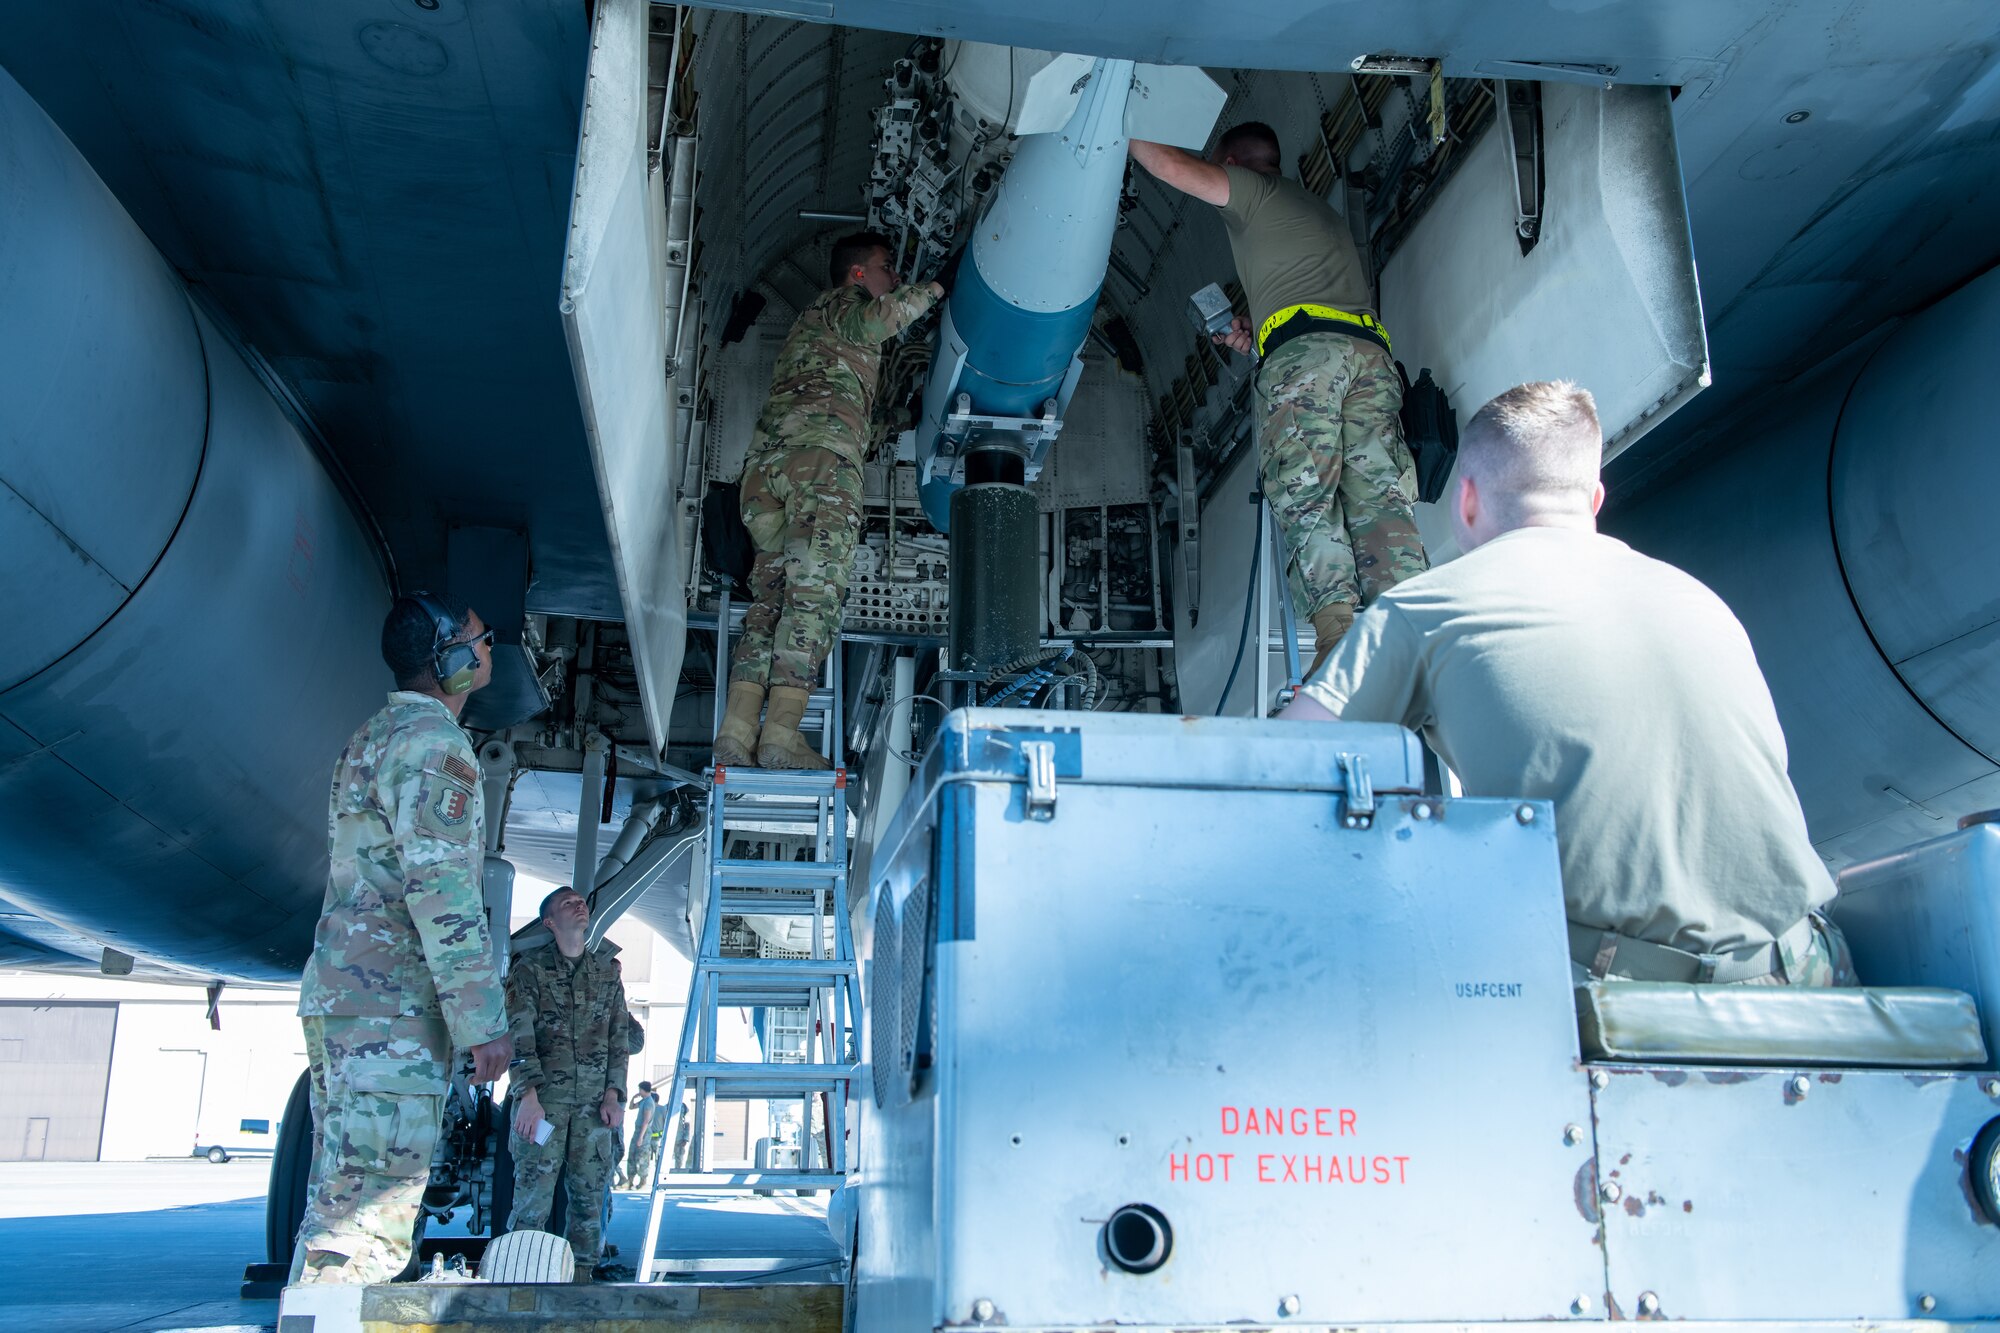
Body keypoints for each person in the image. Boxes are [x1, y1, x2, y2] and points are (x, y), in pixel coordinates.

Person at [1281, 381, 1853, 986]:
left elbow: (1276, 771)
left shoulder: (1427, 607)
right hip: (1806, 974)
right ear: (1595, 498)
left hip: (1627, 999)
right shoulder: (1700, 599)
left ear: (1467, 500)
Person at [1130, 123, 1428, 675]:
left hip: (1308, 360)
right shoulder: (1311, 210)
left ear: (1235, 163)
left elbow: (1168, 166)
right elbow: (1311, 306)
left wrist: (1115, 114)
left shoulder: (1253, 192)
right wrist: (1260, 335)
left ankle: (1339, 642)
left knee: (1306, 493)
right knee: (1379, 496)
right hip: (1367, 358)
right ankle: (1407, 631)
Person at [291, 593, 513, 1285]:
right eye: (479, 640)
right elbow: (442, 892)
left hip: (349, 999)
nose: (488, 649)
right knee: (366, 1227)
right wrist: (483, 1023)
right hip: (391, 1015)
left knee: (339, 1210)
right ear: (449, 660)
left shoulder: (373, 736)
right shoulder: (433, 747)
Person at [714, 232, 945, 769]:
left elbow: (840, 409)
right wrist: (936, 287)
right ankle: (780, 737)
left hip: (768, 475)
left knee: (770, 604)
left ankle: (737, 730)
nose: (894, 278)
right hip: (817, 472)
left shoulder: (812, 327)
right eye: (887, 268)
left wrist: (901, 419)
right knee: (811, 602)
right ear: (858, 273)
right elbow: (877, 321)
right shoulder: (847, 303)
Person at [505, 887, 630, 1280]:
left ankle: (580, 1281)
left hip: (594, 1109)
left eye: (581, 902)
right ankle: (521, 1281)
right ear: (549, 922)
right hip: (543, 1107)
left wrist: (614, 1096)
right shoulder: (530, 970)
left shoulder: (607, 975)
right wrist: (527, 1097)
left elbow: (619, 1040)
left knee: (590, 1198)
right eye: (567, 904)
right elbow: (518, 1035)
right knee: (533, 1198)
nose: (579, 906)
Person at [622, 1081, 662, 1188]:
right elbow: (631, 1107)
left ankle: (643, 1180)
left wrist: (640, 1137)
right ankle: (630, 1180)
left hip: (644, 1132)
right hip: (638, 1131)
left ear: (644, 1090)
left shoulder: (649, 1102)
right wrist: (633, 1098)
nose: (639, 1092)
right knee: (632, 1154)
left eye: (640, 1090)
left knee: (642, 1157)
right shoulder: (643, 1101)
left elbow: (646, 1120)